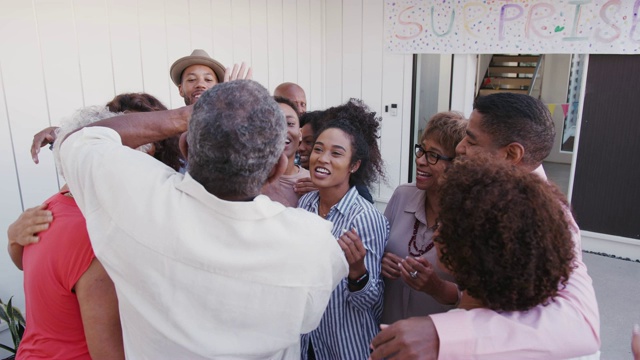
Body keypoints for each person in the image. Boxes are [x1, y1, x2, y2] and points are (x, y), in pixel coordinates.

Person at [57, 80, 348, 359]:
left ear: (185, 147)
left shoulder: (138, 201)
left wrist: (184, 116)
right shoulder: (313, 244)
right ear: (276, 169)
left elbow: (81, 139)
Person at [370, 92, 600, 359]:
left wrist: (441, 334)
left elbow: (578, 325)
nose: (460, 148)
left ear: (512, 153)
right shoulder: (479, 193)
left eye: (472, 140)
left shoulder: (551, 218)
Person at [8, 106, 126, 360]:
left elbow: (29, 265)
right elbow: (108, 354)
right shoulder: (95, 233)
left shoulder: (51, 205)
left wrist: (12, 239)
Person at [297, 100, 389, 359]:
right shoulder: (305, 204)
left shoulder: (365, 218)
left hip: (345, 347)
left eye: (336, 153)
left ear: (354, 165)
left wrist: (358, 272)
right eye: (318, 149)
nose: (322, 159)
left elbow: (370, 303)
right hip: (309, 342)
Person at [380, 112, 467, 324]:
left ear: (457, 165)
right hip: (387, 334)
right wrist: (379, 262)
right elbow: (376, 250)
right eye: (422, 150)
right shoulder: (402, 195)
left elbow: (482, 304)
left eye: (433, 155)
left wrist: (437, 288)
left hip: (438, 344)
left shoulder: (470, 218)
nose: (420, 160)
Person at [261, 96, 309, 207]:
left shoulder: (313, 183)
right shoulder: (249, 183)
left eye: (290, 123)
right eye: (274, 123)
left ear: (300, 133)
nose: (282, 130)